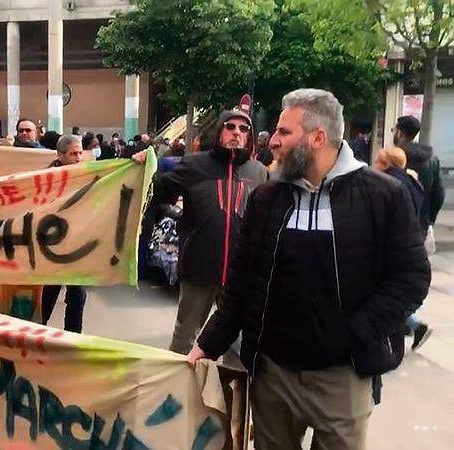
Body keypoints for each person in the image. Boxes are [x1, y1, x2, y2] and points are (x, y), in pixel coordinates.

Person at [186, 89, 430, 449]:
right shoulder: (266, 198)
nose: (273, 141)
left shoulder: (382, 196)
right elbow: (241, 283)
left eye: (284, 132)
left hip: (343, 377)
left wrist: (355, 334)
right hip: (272, 375)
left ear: (317, 137)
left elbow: (411, 278)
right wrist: (207, 345)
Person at [133, 107, 267, 353]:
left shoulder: (258, 171)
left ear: (249, 135)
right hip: (199, 268)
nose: (237, 133)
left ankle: (231, 381)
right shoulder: (195, 165)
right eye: (230, 127)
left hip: (239, 273)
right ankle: (176, 380)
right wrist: (144, 166)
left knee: (238, 345)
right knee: (184, 339)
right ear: (219, 131)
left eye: (243, 128)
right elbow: (155, 192)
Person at [373, 147, 434, 351]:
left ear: (386, 164)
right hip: (411, 239)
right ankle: (412, 326)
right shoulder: (412, 182)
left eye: (377, 161)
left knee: (386, 292)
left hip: (393, 245)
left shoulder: (389, 184)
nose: (373, 165)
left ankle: (415, 326)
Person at [41, 135, 86, 332]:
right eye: (73, 154)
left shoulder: (87, 174)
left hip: (77, 245)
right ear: (60, 155)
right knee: (49, 291)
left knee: (78, 294)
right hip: (51, 246)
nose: (78, 158)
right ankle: (38, 329)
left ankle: (73, 337)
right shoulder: (46, 178)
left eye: (80, 153)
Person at [393, 115, 445, 239]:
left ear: (399, 133)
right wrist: (429, 220)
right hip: (421, 226)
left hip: (394, 226)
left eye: (393, 130)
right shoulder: (432, 159)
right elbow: (439, 195)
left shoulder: (391, 157)